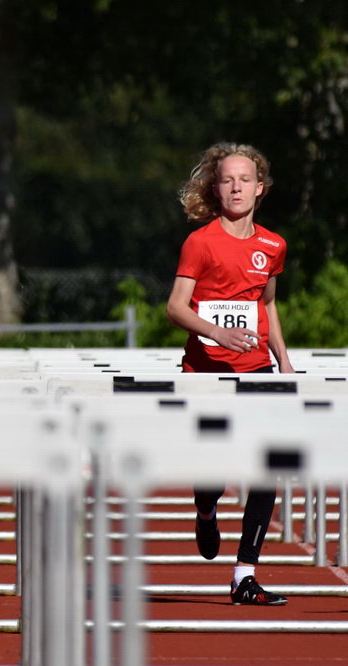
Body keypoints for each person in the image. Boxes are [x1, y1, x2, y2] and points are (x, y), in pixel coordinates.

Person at [166, 142, 294, 606]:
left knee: (267, 469)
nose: (236, 187)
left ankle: (244, 576)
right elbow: (175, 308)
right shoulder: (200, 242)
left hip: (257, 369)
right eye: (227, 180)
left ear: (259, 188)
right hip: (206, 371)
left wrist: (283, 357)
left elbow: (267, 303)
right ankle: (206, 508)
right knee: (213, 471)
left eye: (245, 180)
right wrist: (216, 332)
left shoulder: (273, 245)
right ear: (215, 189)